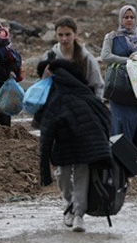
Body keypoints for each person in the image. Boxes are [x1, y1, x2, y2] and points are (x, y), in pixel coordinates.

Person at [38, 58, 113, 233]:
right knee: (63, 175)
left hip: (83, 144)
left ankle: (78, 214)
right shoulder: (56, 94)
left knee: (81, 176)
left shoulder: (77, 93)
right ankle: (69, 204)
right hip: (63, 143)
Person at [101, 5, 137, 165]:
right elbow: (105, 56)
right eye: (125, 17)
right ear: (120, 19)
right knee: (121, 121)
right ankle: (122, 158)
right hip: (119, 87)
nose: (129, 20)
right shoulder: (112, 36)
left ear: (136, 19)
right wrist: (127, 61)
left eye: (131, 17)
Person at [40, 16, 104, 98]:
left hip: (82, 104)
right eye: (60, 35)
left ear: (75, 34)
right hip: (55, 105)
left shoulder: (86, 58)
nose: (64, 39)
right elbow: (43, 84)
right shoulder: (49, 56)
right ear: (55, 35)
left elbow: (97, 85)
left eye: (68, 34)